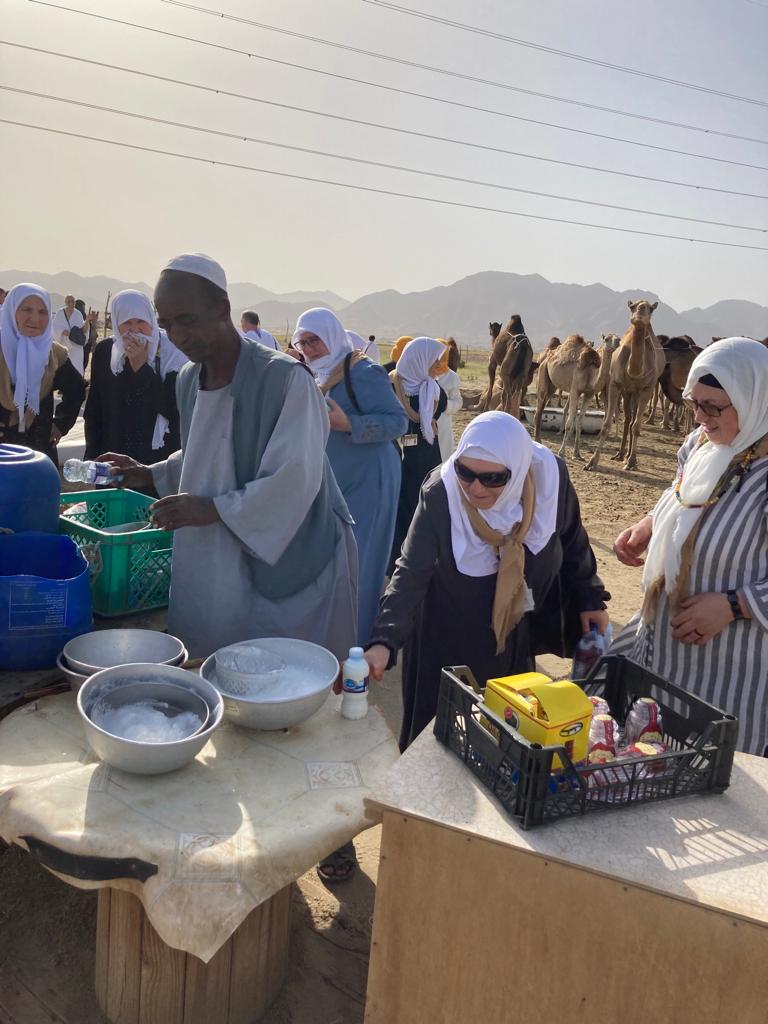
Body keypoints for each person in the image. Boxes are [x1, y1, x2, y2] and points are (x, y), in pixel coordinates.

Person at [99, 254, 357, 662]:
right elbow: (209, 455)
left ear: (222, 308)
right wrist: (147, 473)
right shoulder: (189, 379)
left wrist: (213, 509)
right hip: (217, 552)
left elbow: (295, 478)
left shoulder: (285, 379)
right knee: (213, 668)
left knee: (282, 673)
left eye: (187, 320)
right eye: (167, 324)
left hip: (291, 558)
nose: (177, 335)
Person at [365, 411, 609, 750]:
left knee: (508, 737)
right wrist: (383, 642)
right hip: (446, 646)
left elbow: (571, 539)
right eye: (466, 472)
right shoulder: (442, 494)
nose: (476, 488)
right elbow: (410, 572)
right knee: (438, 744)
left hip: (513, 635)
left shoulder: (548, 481)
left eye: (492, 478)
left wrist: (589, 598)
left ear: (517, 471)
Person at [611, 337, 768, 756]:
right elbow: (683, 494)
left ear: (753, 400)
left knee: (711, 774)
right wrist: (650, 524)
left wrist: (735, 605)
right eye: (693, 403)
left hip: (728, 671)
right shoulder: (701, 444)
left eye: (713, 407)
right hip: (660, 651)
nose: (699, 417)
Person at [293, 308, 408, 646]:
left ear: (332, 335)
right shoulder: (316, 374)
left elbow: (398, 421)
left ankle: (354, 644)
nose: (310, 348)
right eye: (303, 342)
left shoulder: (362, 371)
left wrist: (350, 424)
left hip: (371, 479)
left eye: (315, 340)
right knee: (334, 561)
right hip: (337, 480)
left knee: (360, 562)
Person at [84, 290, 188, 465]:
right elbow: (95, 410)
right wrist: (92, 458)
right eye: (127, 323)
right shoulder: (106, 352)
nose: (134, 329)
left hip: (157, 460)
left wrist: (141, 368)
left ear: (151, 320)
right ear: (117, 324)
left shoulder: (172, 355)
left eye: (141, 321)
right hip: (113, 454)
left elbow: (175, 411)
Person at [0, 283, 85, 462]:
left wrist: (60, 425)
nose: (35, 318)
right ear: (12, 310)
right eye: (27, 310)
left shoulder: (54, 355)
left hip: (38, 449)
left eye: (42, 312)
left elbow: (76, 390)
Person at [389, 337, 449, 567]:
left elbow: (433, 413)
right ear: (419, 360)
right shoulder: (389, 386)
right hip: (397, 456)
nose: (437, 366)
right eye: (434, 360)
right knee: (400, 507)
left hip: (424, 458)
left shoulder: (434, 390)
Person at [436, 337, 463, 461]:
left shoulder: (452, 377)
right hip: (422, 422)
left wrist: (445, 405)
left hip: (443, 423)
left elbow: (458, 401)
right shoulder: (422, 374)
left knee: (443, 455)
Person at [52, 294, 87, 377]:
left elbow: (82, 329)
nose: (71, 303)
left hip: (75, 346)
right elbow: (54, 327)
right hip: (63, 346)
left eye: (72, 302)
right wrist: (61, 331)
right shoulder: (60, 313)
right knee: (63, 367)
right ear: (65, 302)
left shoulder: (78, 314)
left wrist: (71, 333)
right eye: (68, 302)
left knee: (76, 366)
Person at [74, 298, 98, 374]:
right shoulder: (79, 316)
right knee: (83, 362)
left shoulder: (74, 315)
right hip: (83, 343)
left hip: (82, 343)